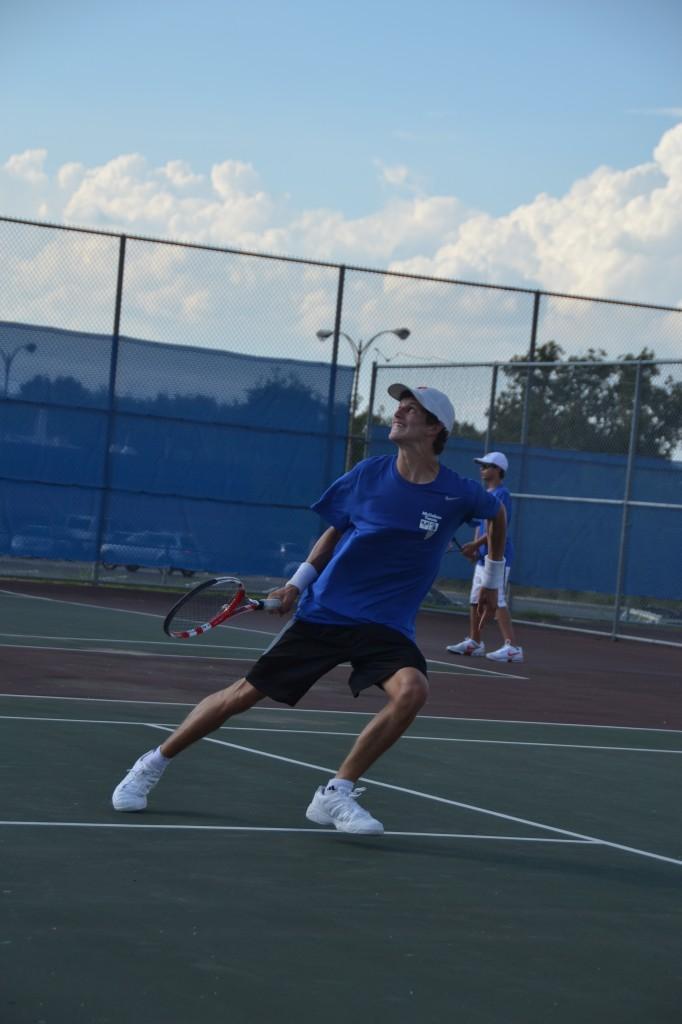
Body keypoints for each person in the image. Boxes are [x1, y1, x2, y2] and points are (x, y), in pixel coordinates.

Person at [111, 384, 507, 835]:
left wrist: (492, 581)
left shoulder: (458, 493)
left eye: (410, 409)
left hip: (385, 626)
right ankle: (152, 763)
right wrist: (298, 585)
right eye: (398, 406)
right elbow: (335, 532)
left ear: (435, 428)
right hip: (328, 613)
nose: (397, 413)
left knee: (413, 690)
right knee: (242, 695)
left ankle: (335, 792)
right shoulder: (367, 475)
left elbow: (496, 516)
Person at [446, 451, 523, 663]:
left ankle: (512, 647)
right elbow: (481, 526)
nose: (482, 469)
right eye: (481, 466)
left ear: (498, 470)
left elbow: (498, 527)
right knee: (474, 601)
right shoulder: (484, 494)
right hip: (482, 557)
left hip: (499, 558)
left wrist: (475, 545)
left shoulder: (502, 494)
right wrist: (475, 549)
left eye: (487, 466)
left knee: (497, 600)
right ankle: (475, 642)